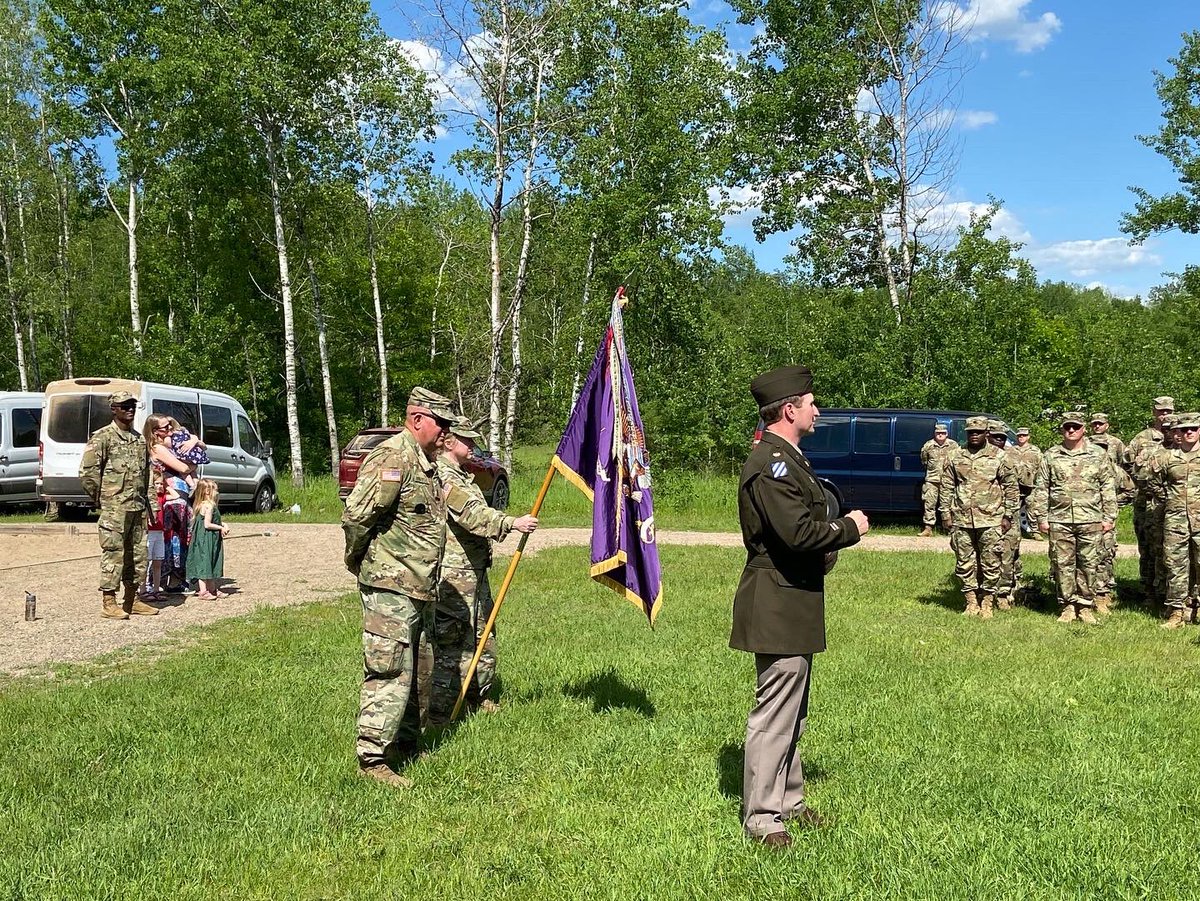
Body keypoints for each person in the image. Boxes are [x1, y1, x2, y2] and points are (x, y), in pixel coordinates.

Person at [731, 365, 870, 850]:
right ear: (789, 410)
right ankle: (763, 818)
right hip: (777, 600)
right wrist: (850, 528)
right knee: (774, 714)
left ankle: (788, 800)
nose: (817, 410)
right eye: (811, 402)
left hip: (795, 599)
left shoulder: (789, 459)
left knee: (794, 711)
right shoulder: (771, 464)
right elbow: (797, 534)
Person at [342, 387, 457, 789]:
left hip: (419, 586)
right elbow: (358, 515)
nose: (447, 432)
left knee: (419, 668)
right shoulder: (394, 457)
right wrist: (357, 559)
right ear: (418, 418)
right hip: (390, 584)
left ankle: (407, 743)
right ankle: (372, 757)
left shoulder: (425, 462)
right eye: (442, 424)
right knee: (389, 667)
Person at [428, 417, 538, 724]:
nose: (474, 446)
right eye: (468, 441)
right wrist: (510, 523)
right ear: (449, 442)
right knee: (452, 640)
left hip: (474, 570)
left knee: (483, 634)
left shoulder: (464, 475)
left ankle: (478, 695)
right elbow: (471, 514)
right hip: (455, 573)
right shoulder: (443, 476)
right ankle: (441, 709)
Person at [1029, 412, 1117, 624]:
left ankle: (1085, 605)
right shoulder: (1051, 455)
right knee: (1062, 564)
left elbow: (1107, 486)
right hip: (1059, 519)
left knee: (1089, 563)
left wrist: (1109, 516)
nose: (1071, 431)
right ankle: (1067, 605)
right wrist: (1041, 517)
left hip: (1091, 518)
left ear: (1083, 429)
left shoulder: (1097, 454)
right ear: (1062, 430)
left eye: (1075, 427)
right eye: (1067, 427)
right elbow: (1041, 488)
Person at [78, 390, 157, 619]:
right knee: (113, 553)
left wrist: (151, 504)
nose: (129, 409)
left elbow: (147, 475)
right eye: (124, 406)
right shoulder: (103, 437)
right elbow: (88, 473)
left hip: (137, 506)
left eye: (132, 405)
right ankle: (109, 602)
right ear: (114, 409)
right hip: (115, 508)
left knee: (138, 555)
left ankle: (132, 600)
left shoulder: (139, 440)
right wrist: (102, 498)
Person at [939, 416, 1019, 619]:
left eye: (978, 432)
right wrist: (945, 513)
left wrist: (1008, 515)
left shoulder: (999, 457)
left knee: (991, 562)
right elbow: (947, 485)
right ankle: (971, 602)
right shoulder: (955, 455)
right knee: (964, 563)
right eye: (970, 432)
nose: (974, 435)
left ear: (986, 434)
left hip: (991, 518)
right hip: (962, 518)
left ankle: (987, 603)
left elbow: (1011, 487)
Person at [1126, 397, 1174, 603]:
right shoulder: (1142, 439)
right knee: (1148, 547)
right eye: (1161, 411)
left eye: (1168, 411)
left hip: (1175, 504)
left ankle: (1172, 593)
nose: (1164, 415)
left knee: (1171, 549)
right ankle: (1149, 590)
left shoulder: (1182, 437)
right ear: (1154, 412)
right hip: (1146, 503)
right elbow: (1128, 464)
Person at [1158, 413, 1200, 628]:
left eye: (1193, 428)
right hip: (1176, 521)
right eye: (1184, 429)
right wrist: (1169, 501)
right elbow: (1150, 481)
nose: (1189, 432)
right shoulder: (1167, 457)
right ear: (1178, 433)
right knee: (1175, 566)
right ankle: (1176, 611)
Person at [145, 415, 195, 592]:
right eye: (165, 428)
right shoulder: (157, 448)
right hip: (171, 497)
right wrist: (193, 464)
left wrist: (194, 441)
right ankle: (165, 579)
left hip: (179, 494)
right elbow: (183, 468)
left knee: (179, 537)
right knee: (171, 538)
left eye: (169, 427)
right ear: (154, 432)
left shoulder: (167, 444)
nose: (169, 431)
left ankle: (175, 578)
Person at [1088, 412, 1135, 596]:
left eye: (1103, 448)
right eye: (1095, 423)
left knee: (1105, 554)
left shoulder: (1115, 468)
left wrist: (1115, 503)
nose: (1098, 426)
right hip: (1084, 517)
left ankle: (1103, 592)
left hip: (1105, 518)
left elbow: (1130, 489)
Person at [987, 420, 1022, 610]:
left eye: (1002, 438)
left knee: (1008, 554)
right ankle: (985, 593)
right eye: (995, 437)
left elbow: (1025, 481)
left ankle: (1003, 593)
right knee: (985, 555)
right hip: (984, 514)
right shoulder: (972, 455)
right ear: (987, 436)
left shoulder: (1012, 456)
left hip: (1009, 514)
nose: (999, 441)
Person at [186, 478, 229, 599]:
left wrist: (223, 524)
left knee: (210, 562)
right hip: (205, 539)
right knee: (204, 563)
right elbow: (207, 524)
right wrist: (220, 528)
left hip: (209, 538)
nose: (217, 492)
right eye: (214, 489)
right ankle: (203, 591)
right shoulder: (208, 506)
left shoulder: (208, 505)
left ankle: (213, 589)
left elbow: (214, 520)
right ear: (207, 492)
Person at [918, 422, 958, 537]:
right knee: (929, 504)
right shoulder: (928, 446)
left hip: (948, 481)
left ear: (947, 434)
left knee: (949, 505)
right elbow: (924, 460)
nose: (940, 435)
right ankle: (928, 528)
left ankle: (949, 528)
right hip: (932, 480)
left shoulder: (953, 445)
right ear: (934, 434)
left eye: (943, 433)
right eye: (938, 433)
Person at [1010, 428, 1043, 538]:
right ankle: (1014, 531)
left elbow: (1040, 468)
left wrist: (1038, 483)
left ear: (1028, 436)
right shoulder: (1010, 450)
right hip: (1015, 485)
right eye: (1019, 435)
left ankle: (1034, 531)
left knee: (1032, 508)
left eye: (1024, 435)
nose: (1021, 437)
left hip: (1030, 485)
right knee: (1013, 508)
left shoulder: (1035, 451)